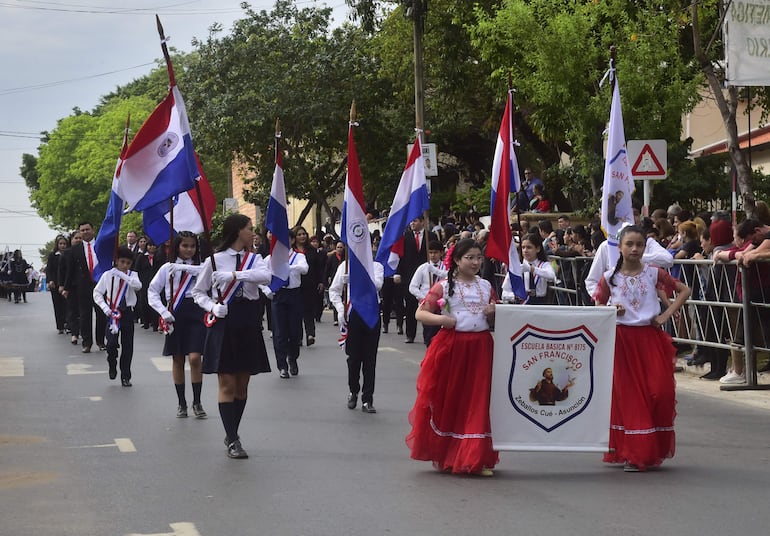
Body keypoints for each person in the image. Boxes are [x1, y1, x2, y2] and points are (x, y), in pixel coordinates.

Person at [593, 225, 690, 472]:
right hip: (622, 341)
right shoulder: (609, 277)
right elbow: (597, 305)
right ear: (621, 247)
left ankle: (650, 445)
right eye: (630, 244)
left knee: (661, 391)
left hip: (650, 339)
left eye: (639, 244)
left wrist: (666, 314)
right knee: (631, 397)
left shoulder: (653, 273)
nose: (635, 249)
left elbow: (684, 290)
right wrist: (610, 310)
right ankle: (635, 452)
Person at [406, 238, 499, 476]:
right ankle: (449, 452)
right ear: (457, 260)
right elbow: (421, 313)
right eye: (470, 257)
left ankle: (475, 455)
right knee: (452, 399)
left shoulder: (487, 286)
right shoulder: (444, 286)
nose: (476, 262)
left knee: (478, 400)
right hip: (453, 346)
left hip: (481, 347)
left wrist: (493, 313)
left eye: (479, 257)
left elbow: (496, 320)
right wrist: (443, 320)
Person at [192, 214, 272, 459]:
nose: (253, 232)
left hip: (248, 321)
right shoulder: (214, 260)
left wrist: (236, 275)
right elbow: (198, 292)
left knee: (242, 387)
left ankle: (232, 432)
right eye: (249, 228)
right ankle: (234, 439)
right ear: (238, 231)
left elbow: (266, 277)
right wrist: (212, 307)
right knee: (227, 383)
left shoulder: (255, 259)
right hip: (224, 321)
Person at [148, 231, 208, 418]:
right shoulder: (167, 268)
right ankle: (182, 403)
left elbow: (212, 283)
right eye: (185, 246)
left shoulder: (203, 266)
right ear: (177, 247)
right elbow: (152, 291)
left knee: (196, 358)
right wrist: (163, 312)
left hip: (197, 311)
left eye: (192, 246)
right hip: (175, 313)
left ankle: (197, 401)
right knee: (178, 358)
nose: (189, 249)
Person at [328, 257, 385, 413]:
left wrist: (357, 278)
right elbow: (334, 290)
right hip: (353, 314)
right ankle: (353, 391)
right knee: (353, 359)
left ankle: (367, 399)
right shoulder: (345, 266)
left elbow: (378, 285)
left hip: (371, 315)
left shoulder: (376, 266)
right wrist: (340, 309)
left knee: (370, 359)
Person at [92, 247, 142, 386]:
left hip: (127, 313)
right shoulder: (108, 275)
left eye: (128, 263)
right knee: (111, 344)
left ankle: (125, 375)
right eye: (122, 262)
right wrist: (105, 308)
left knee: (128, 346)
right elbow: (97, 293)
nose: (125, 265)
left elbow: (138, 286)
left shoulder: (133, 275)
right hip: (112, 313)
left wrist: (123, 275)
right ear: (116, 261)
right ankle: (112, 363)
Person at [270, 228, 309, 378]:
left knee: (295, 332)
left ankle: (293, 358)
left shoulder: (298, 256)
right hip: (279, 295)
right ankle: (282, 366)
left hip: (294, 295)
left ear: (292, 240)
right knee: (280, 332)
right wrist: (267, 290)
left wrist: (288, 267)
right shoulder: (272, 258)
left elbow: (304, 269)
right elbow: (263, 275)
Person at [63, 222, 107, 353]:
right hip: (83, 286)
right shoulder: (74, 250)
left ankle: (100, 341)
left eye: (88, 229)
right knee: (84, 315)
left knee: (101, 314)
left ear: (93, 231)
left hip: (100, 285)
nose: (85, 232)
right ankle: (87, 343)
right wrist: (66, 287)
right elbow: (70, 270)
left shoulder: (101, 246)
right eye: (82, 230)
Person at [408, 240, 447, 347]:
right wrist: (424, 298)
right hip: (427, 306)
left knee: (441, 336)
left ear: (441, 253)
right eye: (430, 253)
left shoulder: (446, 267)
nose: (433, 255)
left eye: (435, 252)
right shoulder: (423, 268)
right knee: (429, 335)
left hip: (443, 306)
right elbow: (413, 287)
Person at [501, 233, 556, 304]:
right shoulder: (517, 267)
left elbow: (551, 275)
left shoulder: (543, 265)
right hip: (522, 305)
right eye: (523, 247)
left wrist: (532, 269)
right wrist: (515, 296)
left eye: (529, 247)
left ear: (538, 249)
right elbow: (505, 292)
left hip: (540, 303)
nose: (525, 250)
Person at [46, 235, 70, 333]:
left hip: (66, 283)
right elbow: (49, 269)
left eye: (64, 244)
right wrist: (50, 280)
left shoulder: (69, 254)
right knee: (58, 305)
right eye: (61, 244)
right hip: (55, 283)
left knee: (68, 305)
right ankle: (60, 326)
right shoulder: (53, 255)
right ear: (57, 244)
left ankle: (68, 324)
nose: (63, 246)